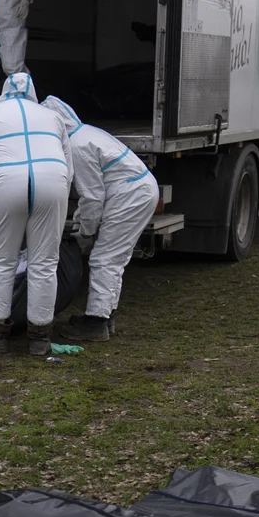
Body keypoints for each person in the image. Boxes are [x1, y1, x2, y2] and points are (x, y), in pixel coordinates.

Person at [0, 73, 68, 354]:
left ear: (2, 91)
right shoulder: (52, 116)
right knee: (45, 263)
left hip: (4, 184)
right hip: (52, 182)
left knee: (0, 262)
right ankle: (40, 339)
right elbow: (68, 164)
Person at [44, 95, 160, 343]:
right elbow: (95, 194)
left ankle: (96, 323)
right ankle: (104, 315)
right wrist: (82, 225)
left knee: (105, 258)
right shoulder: (86, 133)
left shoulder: (76, 147)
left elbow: (92, 197)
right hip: (134, 191)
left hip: (131, 195)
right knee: (113, 258)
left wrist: (83, 232)